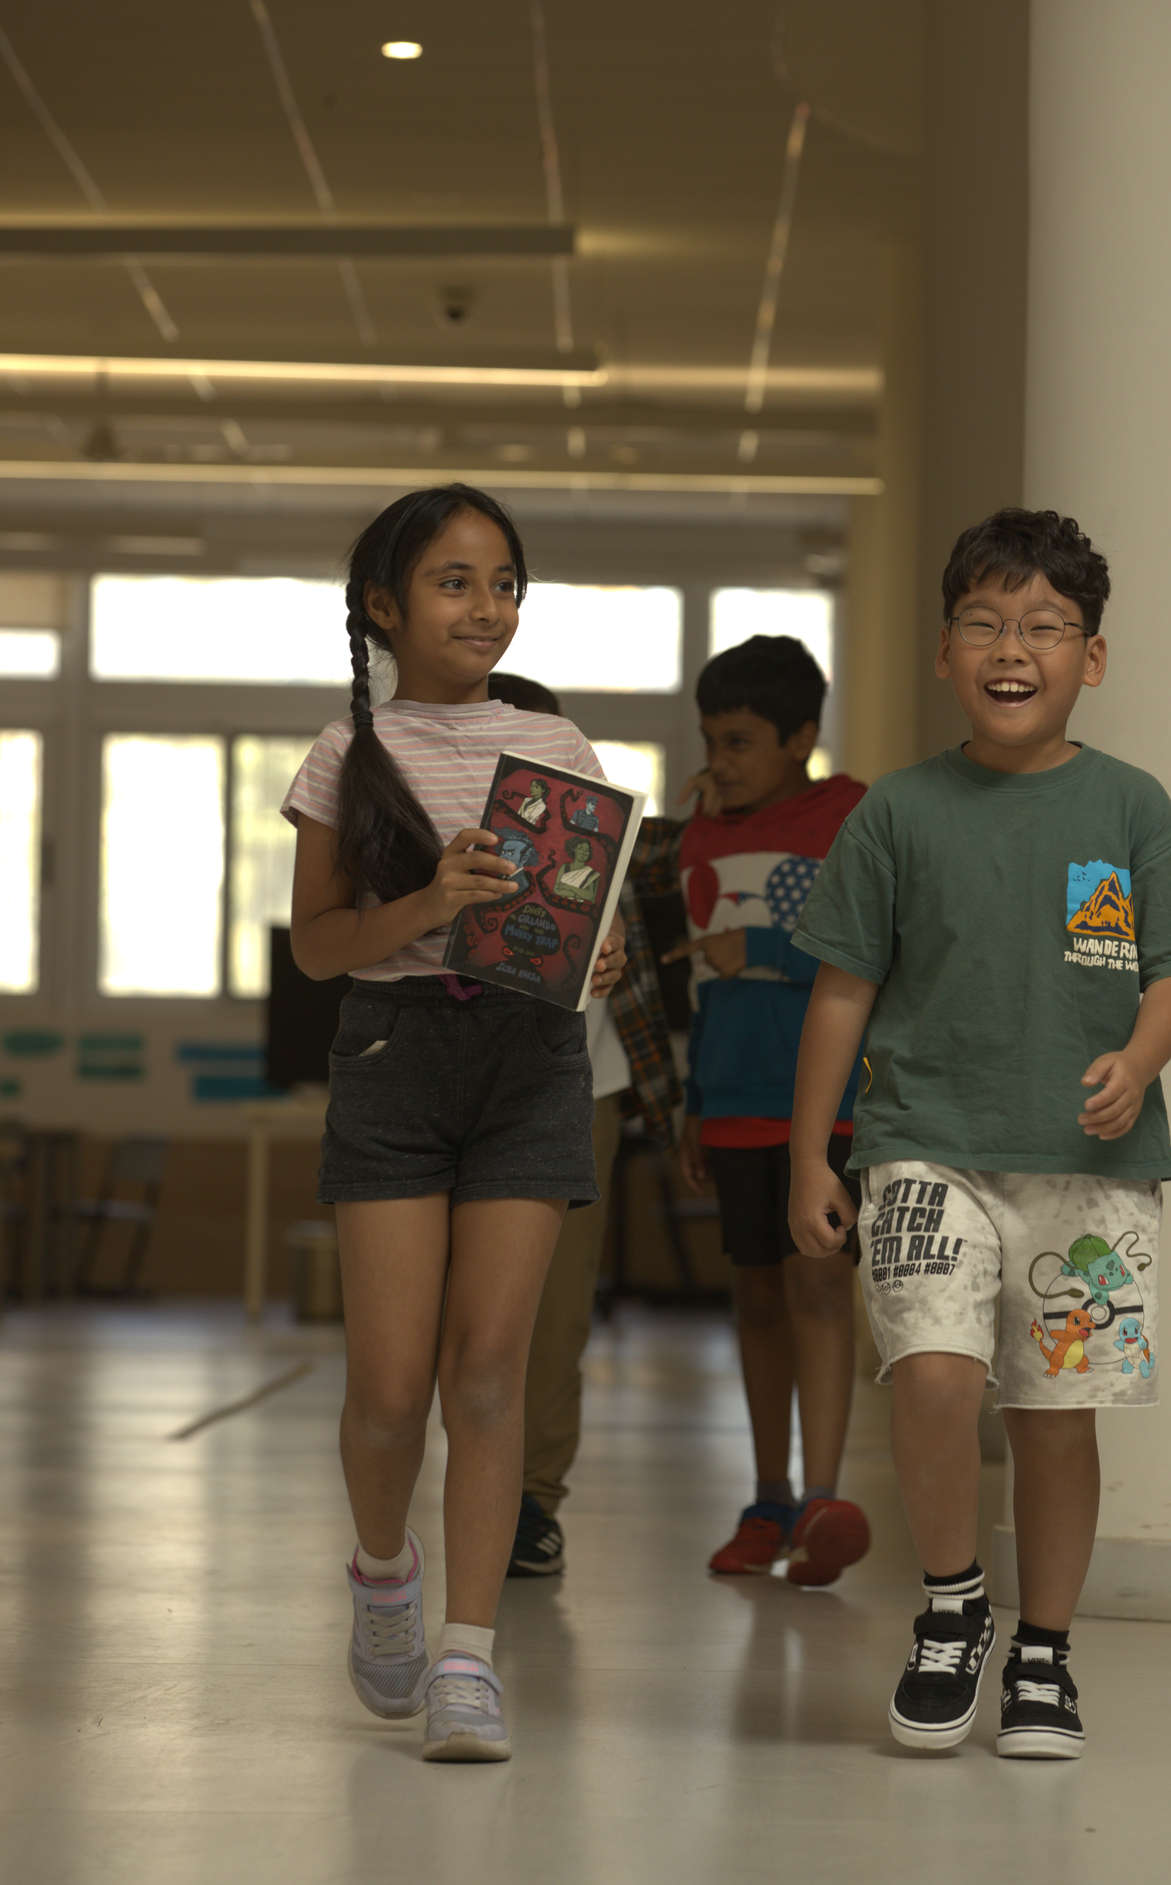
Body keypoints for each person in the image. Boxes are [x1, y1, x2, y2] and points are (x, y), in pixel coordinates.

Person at [787, 507, 1171, 1759]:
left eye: (1044, 626)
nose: (1012, 646)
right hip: (920, 1139)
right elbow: (840, 990)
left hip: (1088, 1168)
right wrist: (807, 1152)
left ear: (1089, 658)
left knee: (1052, 1414)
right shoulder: (895, 813)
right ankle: (950, 1611)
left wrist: (1139, 1062)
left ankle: (1044, 1652)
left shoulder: (1130, 807)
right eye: (985, 622)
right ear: (944, 651)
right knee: (932, 1375)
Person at [283, 486, 626, 1766]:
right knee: (387, 1389)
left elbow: (594, 927)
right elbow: (319, 948)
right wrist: (430, 896)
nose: (484, 606)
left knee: (487, 1374)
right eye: (452, 582)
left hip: (531, 1062)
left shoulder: (557, 745)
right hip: (394, 1057)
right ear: (383, 605)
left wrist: (592, 961)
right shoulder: (344, 754)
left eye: (502, 582)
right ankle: (384, 1574)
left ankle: (468, 1660)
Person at [643, 634, 872, 1586]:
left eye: (738, 740)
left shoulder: (854, 818)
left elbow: (879, 955)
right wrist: (693, 1105)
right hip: (730, 1101)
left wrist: (769, 950)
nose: (718, 761)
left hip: (831, 1109)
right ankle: (769, 1494)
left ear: (802, 737)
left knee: (819, 1286)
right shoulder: (699, 831)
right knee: (756, 1296)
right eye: (709, 738)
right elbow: (699, 980)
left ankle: (822, 1496)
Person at [486, 671, 682, 1578]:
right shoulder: (450, 847)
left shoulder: (611, 843)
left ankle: (530, 1499)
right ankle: (463, 1487)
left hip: (582, 1093)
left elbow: (677, 858)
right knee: (461, 1314)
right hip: (465, 1084)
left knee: (556, 1311)